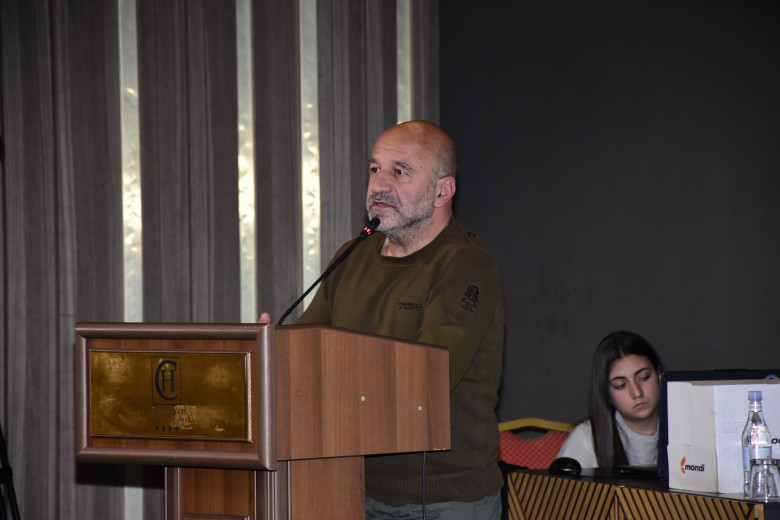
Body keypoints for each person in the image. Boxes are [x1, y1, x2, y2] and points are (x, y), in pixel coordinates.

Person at [261, 120, 505, 519]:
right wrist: (271, 352)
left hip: (443, 499)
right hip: (350, 486)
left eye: (400, 171)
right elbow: (305, 353)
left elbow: (428, 375)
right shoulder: (352, 256)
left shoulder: (464, 265)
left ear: (442, 191)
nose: (379, 184)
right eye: (375, 169)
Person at [556, 331, 664, 469]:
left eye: (644, 377)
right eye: (620, 385)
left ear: (659, 374)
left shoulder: (686, 427)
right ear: (606, 392)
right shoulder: (586, 439)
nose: (636, 392)